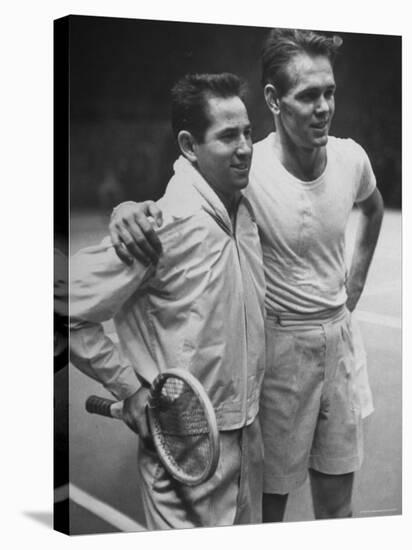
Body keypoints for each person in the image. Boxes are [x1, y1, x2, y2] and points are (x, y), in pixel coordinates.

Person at [109, 28, 384, 522]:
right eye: (308, 95)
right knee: (267, 513)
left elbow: (373, 206)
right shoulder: (246, 166)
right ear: (275, 100)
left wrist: (355, 281)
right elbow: (178, 199)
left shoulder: (352, 158)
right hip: (279, 356)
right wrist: (127, 209)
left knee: (338, 507)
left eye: (330, 92)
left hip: (340, 344)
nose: (323, 107)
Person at [69, 73, 266, 530]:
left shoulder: (245, 205)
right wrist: (131, 391)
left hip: (246, 443)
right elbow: (63, 305)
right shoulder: (161, 227)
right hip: (183, 453)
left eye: (248, 133)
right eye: (228, 136)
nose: (245, 148)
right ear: (188, 145)